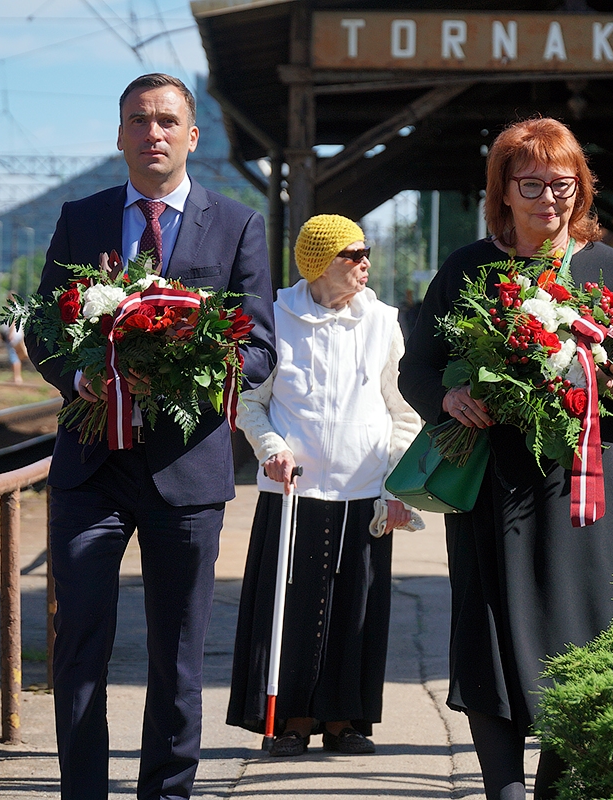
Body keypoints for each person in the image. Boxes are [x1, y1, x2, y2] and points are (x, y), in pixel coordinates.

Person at [399, 118, 613, 800]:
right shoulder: (469, 269)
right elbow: (417, 369)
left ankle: (558, 783)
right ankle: (502, 790)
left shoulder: (611, 268)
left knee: (588, 632)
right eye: (532, 184)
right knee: (490, 631)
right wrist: (450, 396)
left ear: (581, 189)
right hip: (493, 485)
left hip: (585, 487)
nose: (550, 199)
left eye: (564, 184)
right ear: (504, 192)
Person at [25, 73, 276, 800]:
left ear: (192, 137)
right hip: (90, 471)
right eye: (139, 120)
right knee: (78, 650)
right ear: (120, 135)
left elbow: (260, 346)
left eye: (167, 120)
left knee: (178, 657)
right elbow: (44, 325)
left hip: (186, 474)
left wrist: (194, 368)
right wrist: (77, 378)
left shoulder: (237, 224)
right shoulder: (83, 217)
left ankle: (167, 795)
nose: (153, 133)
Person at [226, 214, 423, 757]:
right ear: (318, 265)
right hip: (295, 491)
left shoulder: (383, 320)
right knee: (288, 606)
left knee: (355, 608)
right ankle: (291, 719)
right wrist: (271, 451)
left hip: (363, 490)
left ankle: (344, 721)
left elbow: (402, 410)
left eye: (365, 253)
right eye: (351, 255)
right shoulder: (275, 318)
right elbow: (250, 403)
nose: (365, 263)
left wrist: (396, 480)